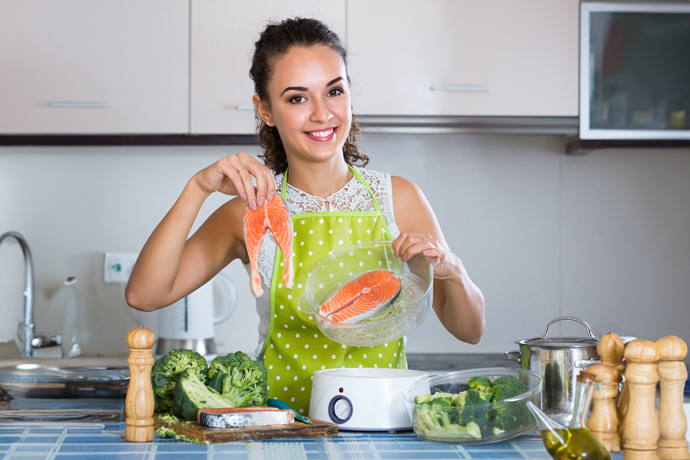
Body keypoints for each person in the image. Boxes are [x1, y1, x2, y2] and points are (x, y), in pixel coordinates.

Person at [125, 17, 485, 413]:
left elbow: (470, 331)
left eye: (334, 91)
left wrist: (453, 271)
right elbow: (145, 295)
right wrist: (198, 188)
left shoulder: (398, 197)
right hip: (278, 429)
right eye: (297, 98)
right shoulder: (250, 212)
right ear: (265, 110)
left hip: (383, 427)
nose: (322, 114)